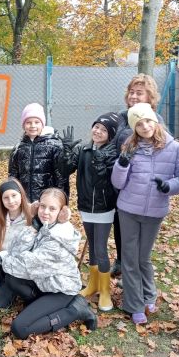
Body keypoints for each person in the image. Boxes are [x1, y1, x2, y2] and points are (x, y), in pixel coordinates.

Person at [0, 188, 97, 339]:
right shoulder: (42, 225)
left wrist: (0, 261)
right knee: (11, 279)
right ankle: (40, 304)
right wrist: (33, 227)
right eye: (42, 206)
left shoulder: (59, 237)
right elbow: (15, 250)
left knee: (20, 328)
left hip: (61, 290)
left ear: (62, 212)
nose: (45, 212)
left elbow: (27, 265)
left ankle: (76, 310)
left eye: (52, 208)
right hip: (44, 283)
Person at [111, 103, 179, 325]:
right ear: (134, 128)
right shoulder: (129, 146)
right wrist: (122, 163)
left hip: (154, 211)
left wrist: (169, 186)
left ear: (155, 120)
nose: (144, 126)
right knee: (130, 258)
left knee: (143, 257)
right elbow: (118, 183)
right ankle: (134, 304)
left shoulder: (175, 148)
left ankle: (149, 294)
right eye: (139, 124)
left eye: (147, 121)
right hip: (128, 209)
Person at [57, 113, 119, 311]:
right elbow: (65, 169)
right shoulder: (83, 149)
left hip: (104, 207)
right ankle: (93, 285)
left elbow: (108, 182)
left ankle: (105, 291)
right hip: (85, 206)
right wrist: (66, 151)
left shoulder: (113, 153)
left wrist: (101, 164)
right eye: (96, 127)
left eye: (103, 130)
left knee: (100, 248)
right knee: (92, 245)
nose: (98, 131)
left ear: (110, 135)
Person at [110, 73, 163, 278]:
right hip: (117, 178)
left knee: (137, 232)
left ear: (150, 97)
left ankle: (134, 269)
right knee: (119, 223)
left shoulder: (154, 120)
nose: (133, 96)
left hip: (139, 186)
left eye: (139, 93)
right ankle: (121, 260)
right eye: (131, 92)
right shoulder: (121, 118)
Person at [0, 178, 33, 308]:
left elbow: (25, 249)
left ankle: (24, 292)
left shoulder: (31, 217)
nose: (11, 201)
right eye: (6, 198)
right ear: (1, 200)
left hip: (18, 269)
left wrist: (0, 257)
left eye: (14, 195)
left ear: (21, 195)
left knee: (1, 303)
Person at [8, 103, 69, 202]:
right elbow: (13, 175)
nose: (33, 126)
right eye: (28, 122)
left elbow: (61, 177)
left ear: (42, 124)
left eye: (37, 122)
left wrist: (62, 201)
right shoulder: (18, 147)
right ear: (23, 125)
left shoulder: (54, 145)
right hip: (25, 201)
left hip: (47, 201)